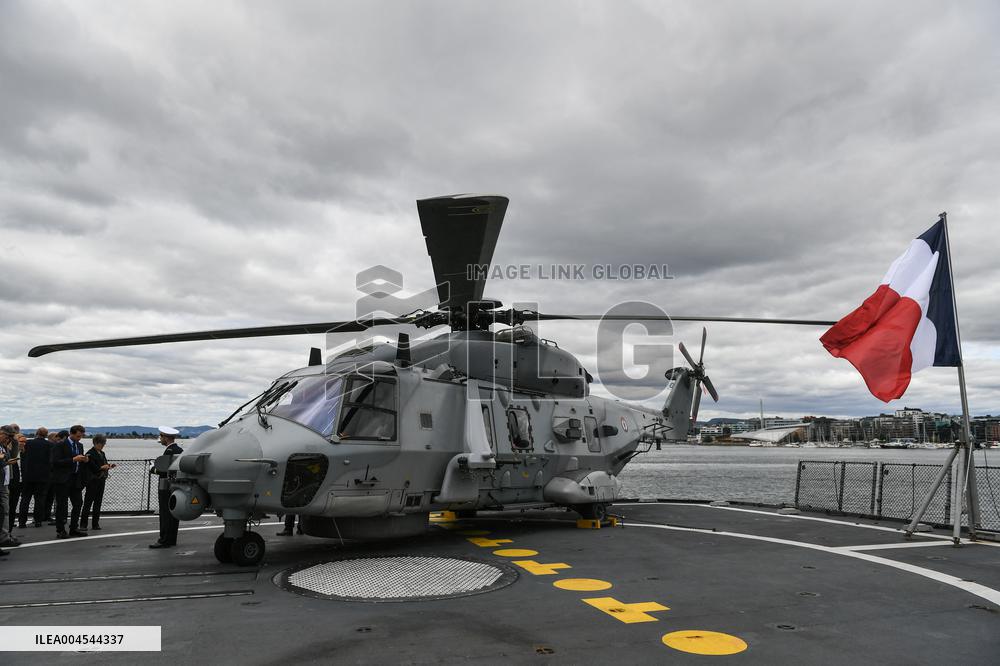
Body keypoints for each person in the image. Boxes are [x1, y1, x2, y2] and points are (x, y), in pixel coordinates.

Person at [51, 425, 90, 538]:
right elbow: (55, 462)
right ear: (71, 434)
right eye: (78, 436)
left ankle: (74, 528)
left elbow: (80, 461)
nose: (80, 438)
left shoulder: (80, 445)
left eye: (81, 436)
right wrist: (73, 459)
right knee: (62, 506)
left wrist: (84, 460)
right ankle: (60, 530)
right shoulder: (60, 445)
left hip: (75, 479)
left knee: (78, 504)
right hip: (62, 480)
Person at [149, 426, 183, 549]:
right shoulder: (179, 449)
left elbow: (163, 471)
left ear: (166, 437)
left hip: (166, 487)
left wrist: (152, 468)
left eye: (161, 436)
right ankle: (171, 538)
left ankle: (164, 540)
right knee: (173, 513)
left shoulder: (169, 451)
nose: (160, 439)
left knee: (165, 513)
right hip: (176, 486)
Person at [18, 427, 51, 528]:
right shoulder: (50, 445)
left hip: (28, 475)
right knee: (40, 500)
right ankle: (38, 521)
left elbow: (22, 458)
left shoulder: (28, 443)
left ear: (36, 433)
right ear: (46, 435)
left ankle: (22, 521)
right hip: (43, 476)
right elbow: (51, 461)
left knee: (25, 499)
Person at [81, 434, 113, 530]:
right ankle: (83, 524)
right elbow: (92, 467)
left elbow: (104, 464)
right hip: (92, 481)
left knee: (98, 502)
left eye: (103, 444)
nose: (103, 445)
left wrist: (109, 466)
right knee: (88, 502)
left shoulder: (102, 453)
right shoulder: (90, 453)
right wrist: (101, 467)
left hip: (101, 480)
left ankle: (95, 523)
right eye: (101, 444)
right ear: (95, 443)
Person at [43, 430, 68, 525]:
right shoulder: (54, 447)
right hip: (53, 475)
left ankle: (43, 515)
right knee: (51, 497)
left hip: (47, 475)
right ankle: (48, 515)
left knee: (46, 497)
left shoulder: (51, 446)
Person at [0, 425, 19, 551]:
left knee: (5, 511)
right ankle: (4, 537)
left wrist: (15, 441)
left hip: (4, 481)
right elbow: (6, 459)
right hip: (2, 482)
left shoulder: (4, 446)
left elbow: (11, 455)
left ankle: (4, 536)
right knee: (3, 511)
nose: (8, 440)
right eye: (7, 437)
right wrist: (4, 462)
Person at [7, 433, 25, 534]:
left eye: (25, 441)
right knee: (7, 508)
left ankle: (9, 532)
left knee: (13, 507)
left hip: (19, 483)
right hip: (10, 484)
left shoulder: (23, 453)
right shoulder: (9, 453)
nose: (23, 443)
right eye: (21, 441)